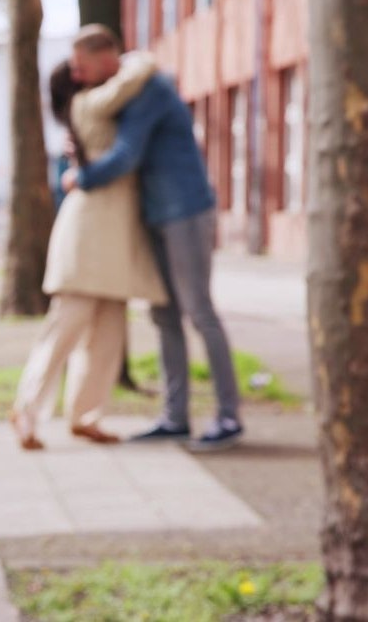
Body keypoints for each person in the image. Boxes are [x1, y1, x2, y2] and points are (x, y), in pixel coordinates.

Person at [63, 24, 244, 452]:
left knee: (199, 310)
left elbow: (128, 155)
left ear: (107, 58)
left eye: (81, 66)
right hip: (155, 215)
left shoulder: (150, 90)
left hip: (185, 211)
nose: (76, 74)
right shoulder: (125, 91)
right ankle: (175, 417)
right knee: (164, 315)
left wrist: (80, 178)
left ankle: (228, 416)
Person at [9, 56, 167, 450]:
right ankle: (26, 411)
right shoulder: (90, 104)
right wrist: (133, 58)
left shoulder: (96, 114)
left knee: (108, 334)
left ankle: (86, 416)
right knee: (65, 327)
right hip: (86, 233)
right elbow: (132, 79)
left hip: (116, 233)